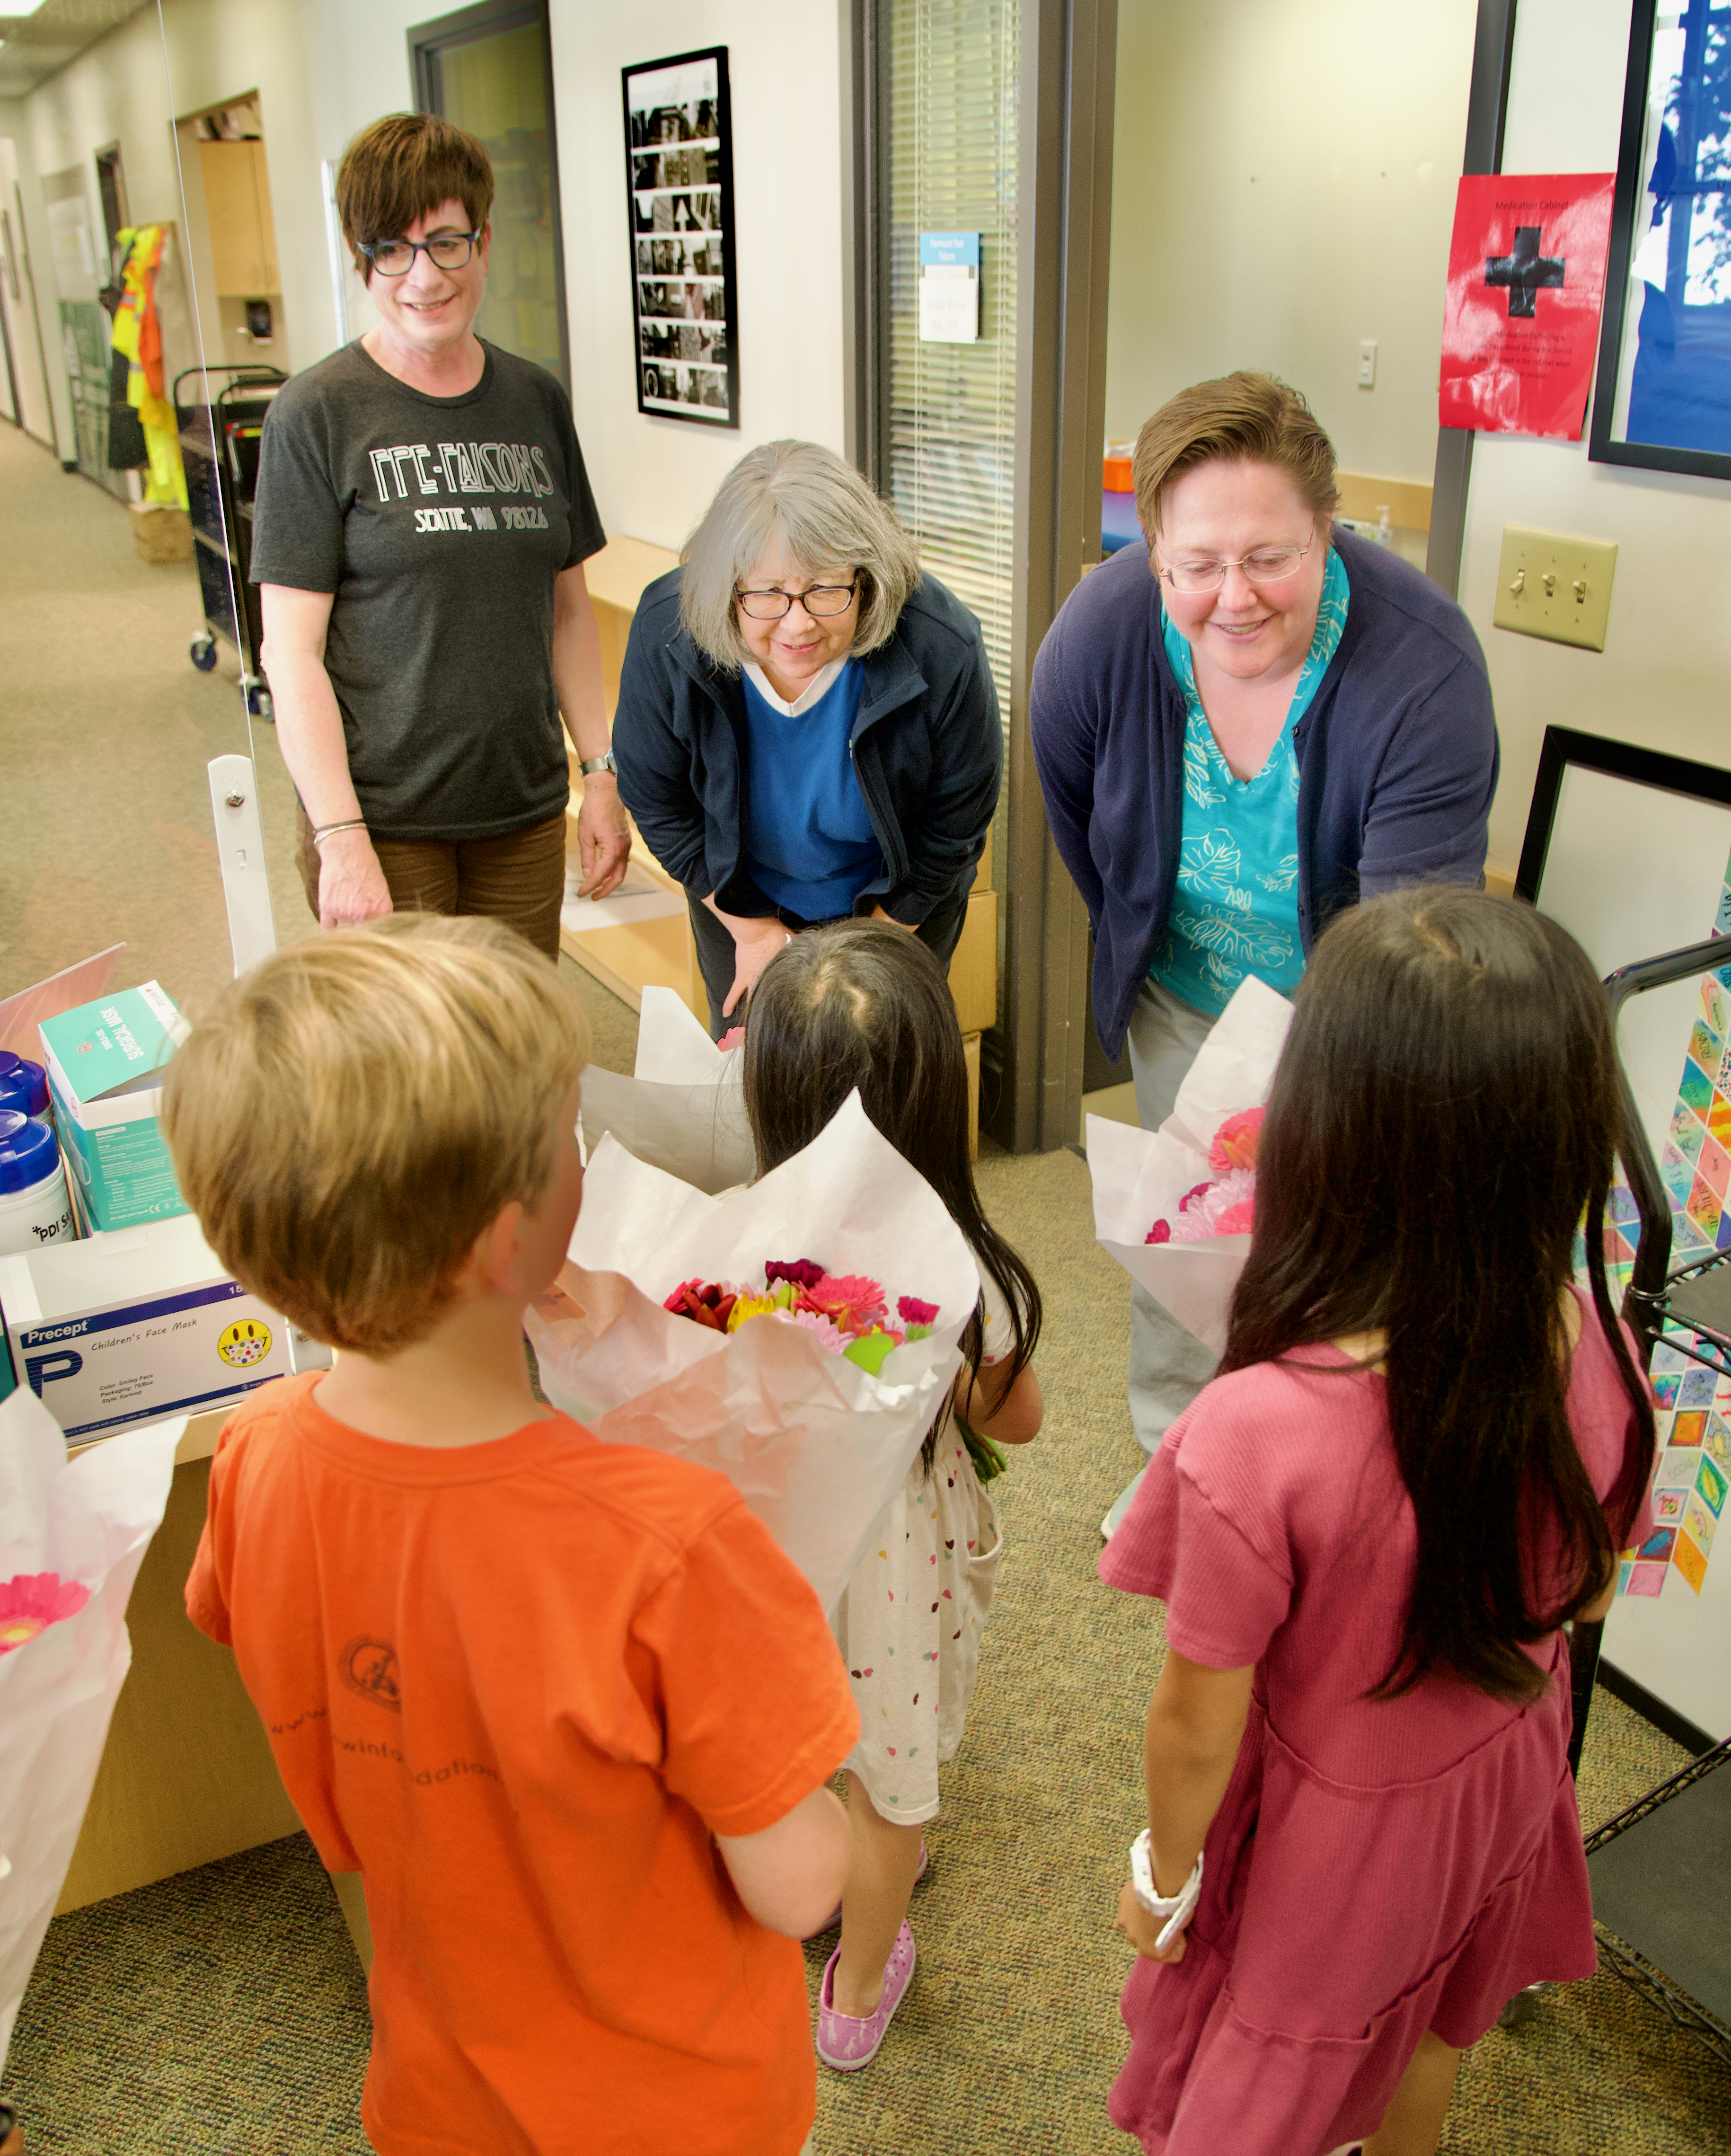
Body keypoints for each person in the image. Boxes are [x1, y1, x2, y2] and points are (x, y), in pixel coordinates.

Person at [164, 916, 857, 2156]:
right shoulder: (666, 1542)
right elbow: (801, 1884)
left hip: (440, 2091)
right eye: (567, 1141)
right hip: (680, 2110)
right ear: (505, 1237)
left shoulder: (254, 1455)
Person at [1100, 888, 1656, 2156]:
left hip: (1336, 1846)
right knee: (1431, 2027)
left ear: (1326, 1129)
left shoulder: (1257, 1429)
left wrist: (1165, 1873)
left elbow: (1195, 1717)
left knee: (1267, 2083)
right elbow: (1587, 1597)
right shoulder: (1603, 1342)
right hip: (1506, 1770)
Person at [1029, 372, 1500, 1535]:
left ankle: (1310, 1483)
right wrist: (1152, 954)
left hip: (1349, 1014)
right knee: (1182, 1234)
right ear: (1152, 555)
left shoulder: (1422, 671)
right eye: (1195, 563)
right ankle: (1176, 1463)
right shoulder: (1099, 632)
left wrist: (1321, 1071)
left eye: (1268, 556)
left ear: (1327, 533)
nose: (1230, 597)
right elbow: (1081, 819)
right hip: (1182, 992)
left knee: (1333, 1250)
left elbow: (1409, 946)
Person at [742, 920, 1044, 2069]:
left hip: (774, 1535)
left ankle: (796, 1880)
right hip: (893, 1565)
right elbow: (1014, 1416)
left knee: (792, 1720)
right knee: (894, 1780)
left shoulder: (747, 1241)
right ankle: (856, 1991)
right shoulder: (965, 1270)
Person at [253, 113, 631, 959]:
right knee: (412, 1080)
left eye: (447, 243)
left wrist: (597, 776)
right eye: (393, 248)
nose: (423, 275)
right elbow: (291, 654)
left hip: (522, 810)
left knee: (516, 1060)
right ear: (364, 258)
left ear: (484, 243)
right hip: (386, 823)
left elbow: (567, 612)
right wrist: (338, 835)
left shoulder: (535, 402)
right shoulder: (317, 414)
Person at [612, 440, 1001, 1037]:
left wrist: (876, 949)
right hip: (739, 895)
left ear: (865, 579)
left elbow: (951, 829)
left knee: (881, 1067)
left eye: (825, 589)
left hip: (896, 903)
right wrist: (753, 931)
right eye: (766, 593)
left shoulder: (940, 643)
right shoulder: (670, 631)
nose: (797, 623)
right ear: (726, 586)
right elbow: (661, 805)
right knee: (762, 1070)